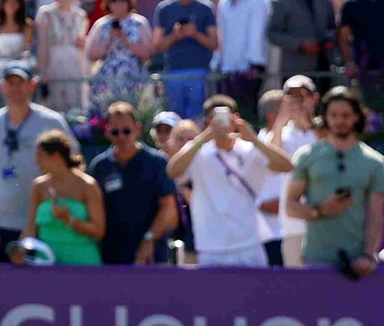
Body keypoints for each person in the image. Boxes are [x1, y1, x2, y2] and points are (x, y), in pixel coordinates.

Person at [166, 94, 292, 267]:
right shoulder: (198, 151)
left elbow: (286, 166)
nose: (220, 123)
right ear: (207, 122)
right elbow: (173, 171)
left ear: (236, 118)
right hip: (211, 248)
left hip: (249, 245)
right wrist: (205, 136)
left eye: (225, 117)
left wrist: (253, 139)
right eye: (214, 119)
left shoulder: (249, 149)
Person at [0, 62, 74, 261]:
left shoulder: (52, 122)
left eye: (21, 82)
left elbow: (72, 169)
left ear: (32, 85)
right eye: (10, 82)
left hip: (41, 225)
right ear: (2, 86)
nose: (15, 88)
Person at [283, 87, 384, 274]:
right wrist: (319, 210)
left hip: (356, 262)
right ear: (326, 117)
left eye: (345, 115)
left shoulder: (375, 162)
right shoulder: (307, 156)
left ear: (356, 117)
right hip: (316, 258)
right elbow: (290, 206)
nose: (339, 120)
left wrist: (367, 254)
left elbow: (375, 216)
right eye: (334, 115)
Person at [88, 102, 177, 265]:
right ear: (107, 132)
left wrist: (149, 238)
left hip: (151, 256)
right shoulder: (100, 166)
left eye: (126, 131)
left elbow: (168, 208)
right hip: (111, 256)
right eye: (115, 131)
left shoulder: (157, 162)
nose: (121, 136)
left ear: (137, 129)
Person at [261, 77, 319, 267]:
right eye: (291, 96)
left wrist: (305, 121)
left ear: (314, 99)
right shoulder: (279, 133)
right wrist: (282, 120)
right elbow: (269, 162)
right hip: (292, 224)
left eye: (303, 95)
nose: (298, 100)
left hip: (323, 222)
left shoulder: (324, 130)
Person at [27, 130, 103, 265]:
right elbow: (30, 228)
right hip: (46, 263)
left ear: (56, 156)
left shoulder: (87, 185)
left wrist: (69, 220)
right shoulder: (38, 186)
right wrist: (20, 249)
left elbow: (99, 231)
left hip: (81, 263)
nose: (36, 161)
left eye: (40, 155)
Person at [153, 0, 217, 120]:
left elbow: (214, 43)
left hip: (199, 72)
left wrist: (195, 34)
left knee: (198, 119)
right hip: (174, 72)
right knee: (174, 120)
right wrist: (174, 36)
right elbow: (157, 45)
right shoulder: (164, 9)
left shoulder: (205, 8)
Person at [212, 0, 271, 118]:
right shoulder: (224, 1)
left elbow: (257, 33)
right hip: (229, 68)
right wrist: (219, 63)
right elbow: (221, 34)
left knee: (248, 115)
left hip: (250, 69)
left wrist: (255, 64)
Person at [267, 0, 336, 83]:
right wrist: (300, 44)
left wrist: (329, 40)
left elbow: (332, 27)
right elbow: (272, 33)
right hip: (294, 69)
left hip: (323, 66)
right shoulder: (281, 1)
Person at [84, 0, 153, 115]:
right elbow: (91, 54)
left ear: (128, 1)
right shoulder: (102, 24)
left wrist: (127, 41)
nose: (118, 3)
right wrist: (109, 41)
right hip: (108, 80)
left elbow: (149, 53)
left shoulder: (139, 23)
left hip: (134, 79)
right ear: (108, 3)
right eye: (113, 0)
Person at [33, 0, 88, 111]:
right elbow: (42, 45)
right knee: (54, 105)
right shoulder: (45, 13)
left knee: (76, 107)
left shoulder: (81, 15)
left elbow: (83, 45)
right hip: (54, 63)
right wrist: (43, 70)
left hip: (75, 63)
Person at [0, 0, 33, 75]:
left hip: (20, 71)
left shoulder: (26, 25)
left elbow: (27, 50)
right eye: (8, 0)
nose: (11, 3)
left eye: (15, 0)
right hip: (0, 70)